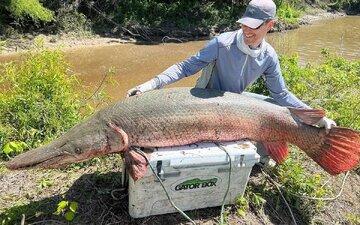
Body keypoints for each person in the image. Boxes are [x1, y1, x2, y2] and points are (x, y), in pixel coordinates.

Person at [127, 0, 336, 131]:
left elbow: (281, 94)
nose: (247, 30)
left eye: (254, 26)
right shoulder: (221, 43)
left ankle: (260, 158)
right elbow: (185, 67)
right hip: (204, 100)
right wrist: (150, 85)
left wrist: (315, 117)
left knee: (275, 109)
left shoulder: (269, 56)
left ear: (270, 25)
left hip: (235, 103)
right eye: (245, 24)